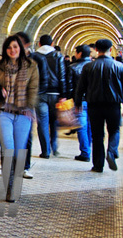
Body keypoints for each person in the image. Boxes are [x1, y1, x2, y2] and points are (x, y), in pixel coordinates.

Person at [0, 35, 39, 202]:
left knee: (18, 152)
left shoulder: (31, 66)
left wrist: (29, 108)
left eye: (15, 47)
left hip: (23, 114)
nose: (12, 50)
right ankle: (9, 188)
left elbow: (33, 88)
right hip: (3, 112)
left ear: (21, 49)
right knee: (8, 149)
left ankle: (14, 185)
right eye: (9, 47)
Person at [74, 39, 122, 172]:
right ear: (111, 49)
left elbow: (81, 87)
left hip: (94, 105)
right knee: (114, 130)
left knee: (97, 135)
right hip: (113, 105)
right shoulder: (119, 66)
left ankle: (98, 165)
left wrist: (78, 102)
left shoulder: (88, 67)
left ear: (96, 50)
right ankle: (112, 151)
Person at [15, 31, 49, 178]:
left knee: (25, 134)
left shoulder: (38, 60)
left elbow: (44, 81)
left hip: (27, 103)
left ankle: (24, 166)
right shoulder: (9, 60)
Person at [35, 34, 68, 158]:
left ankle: (45, 151)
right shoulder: (58, 55)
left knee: (42, 122)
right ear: (52, 44)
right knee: (54, 121)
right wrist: (63, 94)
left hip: (39, 94)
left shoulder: (34, 56)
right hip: (55, 93)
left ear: (39, 44)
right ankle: (54, 147)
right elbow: (62, 76)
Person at [69, 44, 92, 162]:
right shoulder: (94, 66)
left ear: (80, 53)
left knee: (81, 127)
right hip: (93, 101)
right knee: (89, 126)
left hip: (79, 101)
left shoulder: (73, 67)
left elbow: (70, 86)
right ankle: (88, 149)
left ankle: (85, 152)